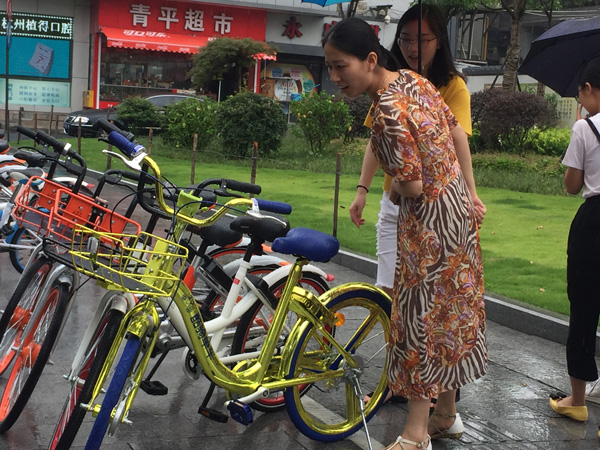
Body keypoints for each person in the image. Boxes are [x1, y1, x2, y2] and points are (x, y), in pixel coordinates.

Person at [323, 17, 487, 450]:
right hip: (457, 212)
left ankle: (416, 434)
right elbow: (455, 132)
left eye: (341, 67)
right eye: (330, 68)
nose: (335, 77)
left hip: (428, 223)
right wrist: (470, 193)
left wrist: (393, 191)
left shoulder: (386, 112)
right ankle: (447, 414)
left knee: (417, 319)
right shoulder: (414, 81)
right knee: (451, 312)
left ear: (371, 60)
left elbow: (410, 185)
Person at [550, 57, 600, 423]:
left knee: (584, 308)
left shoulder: (585, 128)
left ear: (586, 89)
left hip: (593, 223)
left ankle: (578, 400)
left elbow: (572, 186)